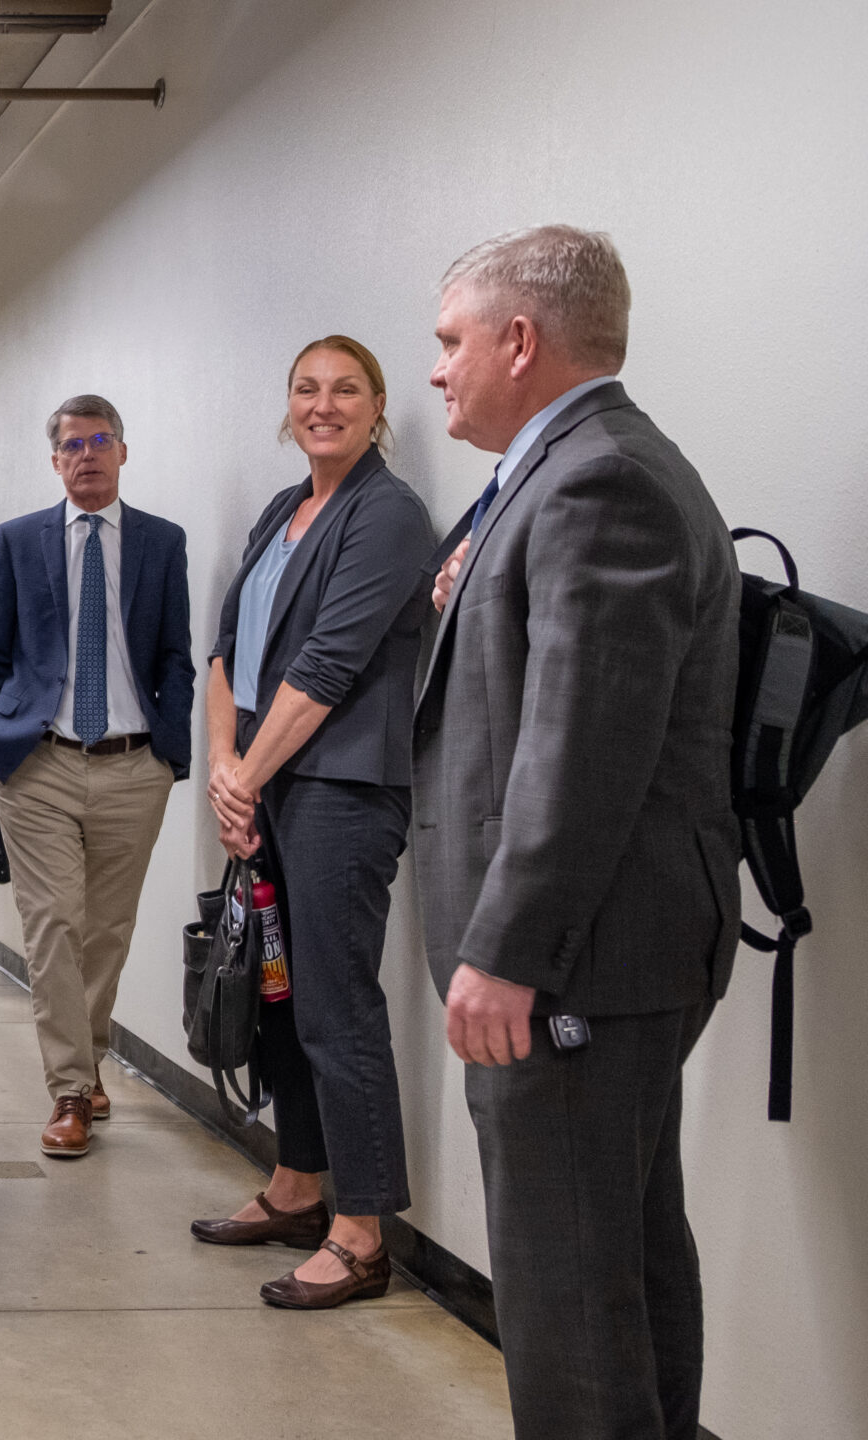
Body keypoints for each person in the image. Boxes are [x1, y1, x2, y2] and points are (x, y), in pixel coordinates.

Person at [419, 226, 738, 1439]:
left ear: (518, 339)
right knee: (623, 1255)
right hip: (604, 956)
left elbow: (584, 748)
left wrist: (508, 950)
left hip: (575, 963)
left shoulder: (600, 478)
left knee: (567, 1292)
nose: (438, 370)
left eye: (452, 342)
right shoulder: (569, 473)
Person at [189, 337, 436, 1309]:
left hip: (338, 793)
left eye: (344, 390)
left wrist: (242, 777)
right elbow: (225, 651)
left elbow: (328, 668)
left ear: (377, 408)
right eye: (305, 388)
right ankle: (297, 1185)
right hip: (262, 780)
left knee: (337, 1003)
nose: (321, 405)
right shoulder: (278, 513)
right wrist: (223, 768)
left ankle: (361, 1230)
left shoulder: (389, 516)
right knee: (279, 998)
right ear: (285, 405)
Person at [0, 395, 194, 1159]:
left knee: (106, 930)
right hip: (39, 763)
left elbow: (175, 655)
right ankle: (69, 1089)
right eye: (72, 444)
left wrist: (174, 748)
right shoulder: (18, 539)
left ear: (123, 452)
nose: (87, 454)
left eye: (101, 441)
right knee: (54, 923)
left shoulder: (163, 543)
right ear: (55, 458)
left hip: (136, 765)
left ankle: (87, 1054)